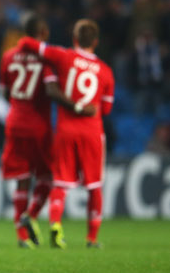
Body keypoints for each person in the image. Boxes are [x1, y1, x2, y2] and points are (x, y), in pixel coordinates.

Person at [18, 19, 115, 248]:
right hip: (92, 132)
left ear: (74, 39)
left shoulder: (63, 56)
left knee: (60, 182)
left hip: (65, 130)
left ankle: (55, 225)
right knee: (94, 186)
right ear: (96, 42)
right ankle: (92, 238)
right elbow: (107, 108)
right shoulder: (105, 70)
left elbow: (27, 43)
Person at [0, 16, 57, 248]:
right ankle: (30, 216)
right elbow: (51, 91)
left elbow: (5, 92)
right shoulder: (46, 59)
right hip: (38, 125)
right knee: (47, 175)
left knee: (22, 179)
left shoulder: (8, 56)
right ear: (43, 31)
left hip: (15, 121)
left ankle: (21, 236)